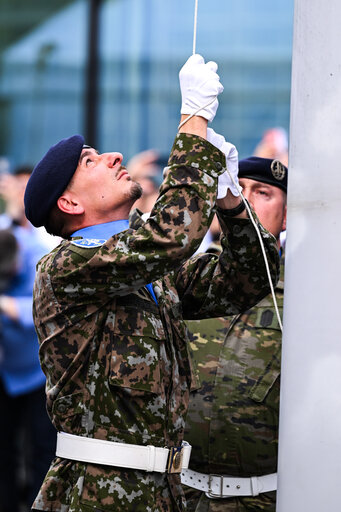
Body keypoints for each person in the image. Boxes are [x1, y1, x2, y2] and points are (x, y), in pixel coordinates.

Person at [23, 55, 279, 512]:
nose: (113, 156)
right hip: (96, 494)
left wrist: (231, 201)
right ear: (68, 201)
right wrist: (192, 121)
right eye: (90, 161)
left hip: (162, 492)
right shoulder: (68, 266)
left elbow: (247, 279)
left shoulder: (145, 268)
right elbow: (171, 235)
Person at [182, 156, 287, 512]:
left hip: (262, 499)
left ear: (287, 215)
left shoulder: (311, 291)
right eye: (238, 189)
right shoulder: (193, 279)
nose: (246, 199)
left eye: (263, 192)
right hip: (183, 495)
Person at [0, 224, 57, 512]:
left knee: (42, 448)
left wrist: (7, 304)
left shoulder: (39, 257)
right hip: (5, 371)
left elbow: (43, 309)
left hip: (38, 372)